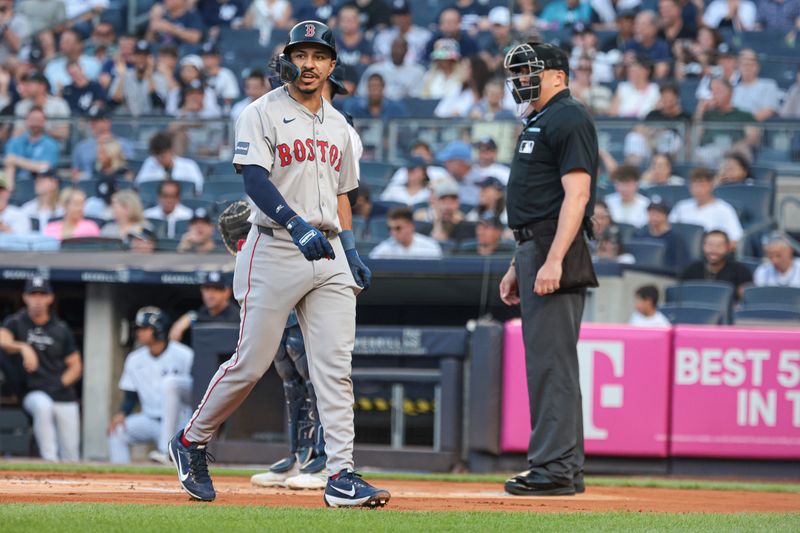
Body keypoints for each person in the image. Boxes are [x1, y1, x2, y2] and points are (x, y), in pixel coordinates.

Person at [167, 20, 388, 508]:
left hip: (327, 248)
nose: (307, 64)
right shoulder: (261, 112)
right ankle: (190, 441)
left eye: (317, 55)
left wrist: (350, 250)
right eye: (299, 54)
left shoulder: (341, 127)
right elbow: (254, 180)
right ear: (287, 60)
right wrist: (295, 223)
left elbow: (343, 194)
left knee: (334, 366)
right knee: (252, 361)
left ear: (332, 64)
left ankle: (341, 474)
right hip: (273, 244)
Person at [499, 41, 597, 497]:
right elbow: (537, 197)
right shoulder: (540, 119)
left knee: (551, 364)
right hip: (534, 246)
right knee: (549, 363)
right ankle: (563, 467)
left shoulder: (568, 117)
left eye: (529, 71)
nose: (522, 81)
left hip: (552, 246)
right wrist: (518, 261)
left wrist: (553, 257)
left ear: (558, 74)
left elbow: (576, 196)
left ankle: (554, 469)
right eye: (517, 74)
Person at [0, 276, 82, 462]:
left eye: (42, 294)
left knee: (71, 455)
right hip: (33, 391)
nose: (37, 299)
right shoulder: (15, 322)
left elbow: (76, 365)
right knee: (43, 406)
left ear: (50, 298)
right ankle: (49, 460)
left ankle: (73, 487)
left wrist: (60, 383)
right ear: (25, 297)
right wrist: (24, 347)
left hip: (62, 393)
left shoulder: (60, 328)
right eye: (33, 294)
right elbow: (2, 340)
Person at [107, 307, 194, 464]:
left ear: (158, 329)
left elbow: (195, 390)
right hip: (149, 418)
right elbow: (131, 394)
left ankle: (169, 456)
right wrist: (122, 413)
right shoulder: (134, 359)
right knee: (117, 432)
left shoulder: (184, 354)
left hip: (180, 421)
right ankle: (123, 477)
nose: (139, 332)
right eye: (138, 328)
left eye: (144, 328)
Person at [669, 167, 744, 246]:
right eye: (695, 185)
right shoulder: (681, 207)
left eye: (702, 185)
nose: (698, 189)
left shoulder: (724, 209)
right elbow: (667, 231)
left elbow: (736, 239)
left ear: (711, 186)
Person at [169, 272, 240, 344]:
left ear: (227, 292)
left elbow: (213, 327)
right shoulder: (204, 310)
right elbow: (174, 337)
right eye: (207, 289)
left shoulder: (235, 315)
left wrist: (191, 318)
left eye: (216, 289)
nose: (211, 294)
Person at [680, 230, 753, 299]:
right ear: (703, 246)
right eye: (710, 245)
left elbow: (747, 298)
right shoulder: (691, 270)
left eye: (719, 245)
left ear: (728, 248)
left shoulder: (740, 271)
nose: (713, 249)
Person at [108, 40, 169, 116]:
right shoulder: (124, 75)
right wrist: (122, 77)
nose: (141, 59)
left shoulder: (159, 78)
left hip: (152, 123)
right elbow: (115, 102)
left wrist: (149, 76)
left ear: (150, 58)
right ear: (133, 57)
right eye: (138, 55)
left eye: (145, 56)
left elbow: (158, 104)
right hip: (129, 123)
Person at [4, 106, 60, 185]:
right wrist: (34, 165)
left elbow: (45, 168)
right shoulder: (14, 142)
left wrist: (16, 160)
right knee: (9, 168)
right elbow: (9, 161)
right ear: (26, 120)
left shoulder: (51, 144)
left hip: (39, 186)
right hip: (16, 185)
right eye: (32, 120)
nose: (35, 123)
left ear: (44, 122)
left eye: (38, 120)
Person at [356, 37, 425, 100]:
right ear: (391, 49)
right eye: (395, 48)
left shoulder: (417, 71)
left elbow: (416, 98)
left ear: (406, 51)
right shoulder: (374, 69)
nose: (397, 51)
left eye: (401, 48)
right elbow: (361, 93)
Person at [135, 131, 205, 195]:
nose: (159, 159)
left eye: (162, 156)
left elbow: (199, 188)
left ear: (171, 151)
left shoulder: (189, 165)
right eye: (156, 156)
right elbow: (139, 186)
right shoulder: (149, 163)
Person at [634, 198, 691, 271]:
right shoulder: (641, 237)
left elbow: (682, 265)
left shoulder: (675, 239)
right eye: (651, 213)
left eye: (658, 213)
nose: (654, 216)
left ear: (666, 215)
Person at [369, 206, 442, 259]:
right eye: (390, 228)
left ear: (411, 226)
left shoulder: (430, 247)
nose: (393, 232)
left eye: (398, 228)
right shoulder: (384, 250)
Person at [371, 0, 431, 65]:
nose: (400, 18)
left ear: (410, 16)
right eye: (397, 15)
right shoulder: (382, 37)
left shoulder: (424, 36)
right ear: (392, 17)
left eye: (403, 14)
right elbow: (377, 60)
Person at [731, 49, 781, 121]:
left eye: (751, 63)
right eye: (744, 63)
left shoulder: (768, 85)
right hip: (733, 129)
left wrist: (742, 124)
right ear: (738, 66)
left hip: (757, 129)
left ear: (757, 66)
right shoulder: (733, 89)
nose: (747, 66)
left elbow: (768, 111)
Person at [623, 11, 672, 79]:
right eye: (637, 24)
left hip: (654, 84)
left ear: (654, 28)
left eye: (642, 24)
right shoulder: (631, 44)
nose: (638, 28)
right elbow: (621, 71)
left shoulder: (662, 46)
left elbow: (662, 70)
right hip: (633, 83)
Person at [342, 72, 408, 119]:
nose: (375, 90)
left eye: (378, 86)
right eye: (372, 86)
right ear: (367, 88)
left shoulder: (394, 108)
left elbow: (402, 130)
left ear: (383, 88)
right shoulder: (356, 108)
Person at [435, 140, 480, 205]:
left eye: (450, 161)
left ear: (461, 162)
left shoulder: (480, 182)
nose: (446, 164)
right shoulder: (446, 178)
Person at [200, 42, 240, 110]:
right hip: (202, 112)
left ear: (218, 58)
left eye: (210, 57)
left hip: (221, 113)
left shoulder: (226, 74)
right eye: (204, 57)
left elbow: (231, 97)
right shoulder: (198, 74)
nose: (206, 60)